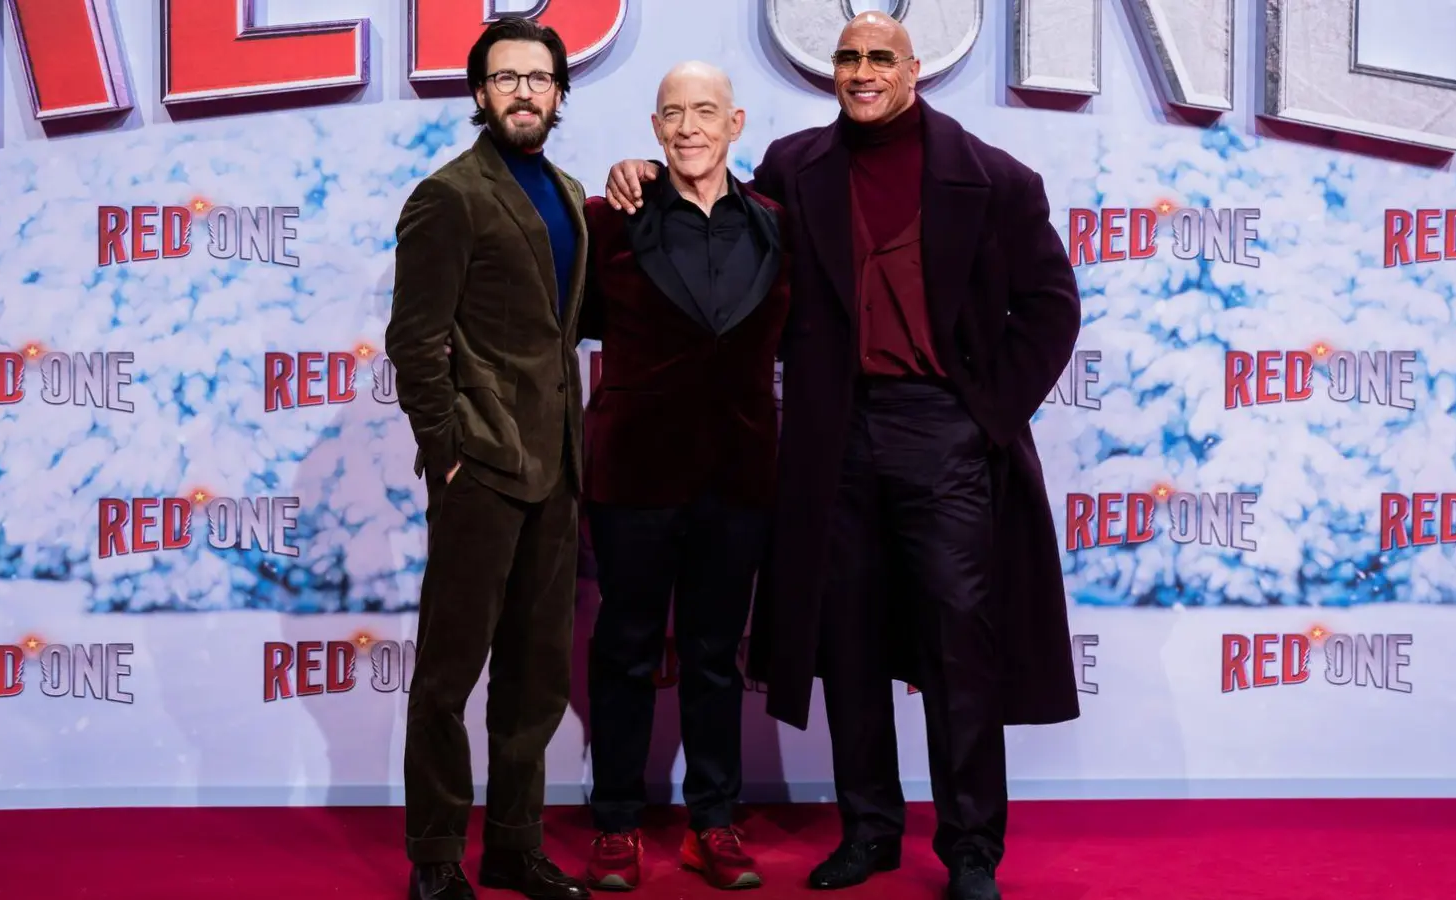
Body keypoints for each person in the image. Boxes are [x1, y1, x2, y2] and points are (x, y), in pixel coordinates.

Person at [604, 13, 1082, 900]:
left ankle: (972, 847)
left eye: (879, 59)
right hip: (834, 436)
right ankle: (870, 830)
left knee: (957, 647)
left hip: (945, 433)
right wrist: (637, 173)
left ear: (913, 71)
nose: (861, 72)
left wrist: (986, 414)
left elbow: (1051, 308)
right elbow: (717, 214)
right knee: (851, 639)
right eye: (848, 57)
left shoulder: (997, 179)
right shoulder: (794, 166)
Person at [386, 16, 592, 900]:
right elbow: (414, 341)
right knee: (447, 675)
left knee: (536, 677)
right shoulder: (450, 195)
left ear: (558, 95)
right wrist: (449, 454)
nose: (522, 92)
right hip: (482, 470)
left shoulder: (572, 193)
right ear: (479, 95)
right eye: (504, 78)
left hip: (558, 469)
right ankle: (435, 861)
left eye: (537, 79)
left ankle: (513, 845)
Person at [579, 62, 791, 892]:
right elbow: (574, 324)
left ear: (736, 124)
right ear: (656, 126)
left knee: (713, 656)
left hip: (738, 472)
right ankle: (616, 825)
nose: (690, 127)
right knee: (626, 649)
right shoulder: (612, 220)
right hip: (633, 470)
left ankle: (714, 821)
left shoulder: (778, 224)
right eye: (674, 113)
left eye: (706, 111)